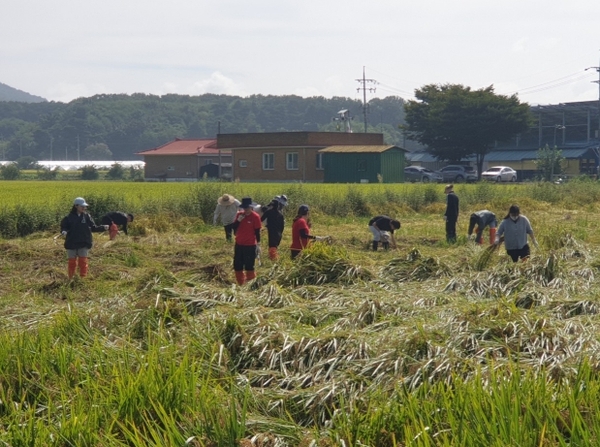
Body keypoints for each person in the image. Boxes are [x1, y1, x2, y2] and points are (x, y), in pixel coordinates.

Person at [60, 197, 108, 279]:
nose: (84, 208)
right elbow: (64, 227)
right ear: (76, 206)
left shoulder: (87, 216)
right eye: (82, 206)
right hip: (71, 242)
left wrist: (103, 227)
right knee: (72, 262)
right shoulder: (68, 218)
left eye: (85, 206)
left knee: (83, 261)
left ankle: (83, 278)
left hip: (84, 242)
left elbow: (93, 227)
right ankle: (71, 278)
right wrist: (63, 231)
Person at [231, 197, 262, 285]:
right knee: (237, 265)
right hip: (239, 244)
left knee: (249, 266)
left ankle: (251, 283)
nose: (246, 210)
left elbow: (257, 231)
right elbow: (234, 227)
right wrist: (238, 221)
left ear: (251, 208)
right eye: (245, 208)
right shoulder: (239, 215)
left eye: (248, 208)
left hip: (250, 245)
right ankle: (241, 283)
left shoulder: (255, 217)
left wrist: (258, 244)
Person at [260, 194, 288, 260]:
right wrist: (281, 233)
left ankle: (273, 259)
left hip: (271, 230)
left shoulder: (268, 212)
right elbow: (282, 225)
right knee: (275, 245)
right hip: (278, 232)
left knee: (272, 245)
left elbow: (261, 219)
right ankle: (273, 257)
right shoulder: (280, 214)